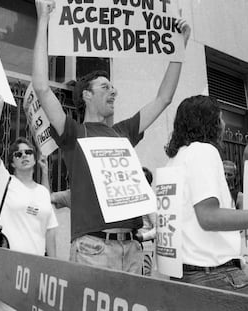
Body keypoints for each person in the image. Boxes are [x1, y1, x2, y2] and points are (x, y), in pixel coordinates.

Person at [32, 0, 191, 274]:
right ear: (87, 95)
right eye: (105, 86)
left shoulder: (123, 132)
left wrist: (180, 47)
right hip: (94, 250)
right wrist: (43, 21)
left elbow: (164, 98)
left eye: (113, 86)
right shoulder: (72, 132)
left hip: (133, 249)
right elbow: (42, 88)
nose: (113, 91)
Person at [166, 95, 248, 293]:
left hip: (185, 275)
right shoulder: (203, 151)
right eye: (220, 118)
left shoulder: (175, 159)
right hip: (214, 275)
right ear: (209, 122)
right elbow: (208, 217)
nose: (223, 123)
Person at [0, 95, 58, 311]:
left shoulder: (44, 192)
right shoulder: (4, 182)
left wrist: (55, 269)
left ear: (35, 158)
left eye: (29, 152)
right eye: (18, 154)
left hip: (36, 275)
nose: (24, 155)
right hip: (5, 271)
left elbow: (51, 233)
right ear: (12, 161)